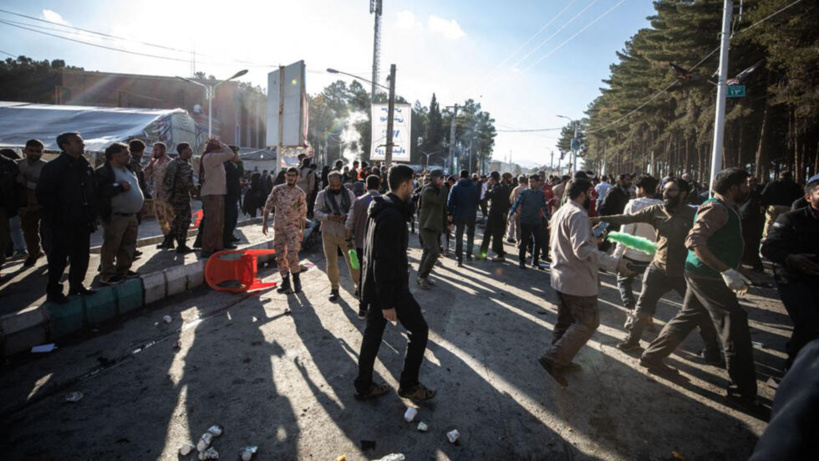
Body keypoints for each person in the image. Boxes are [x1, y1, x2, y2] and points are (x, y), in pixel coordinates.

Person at [641, 168, 758, 407]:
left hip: (704, 274)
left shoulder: (725, 207)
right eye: (745, 184)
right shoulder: (716, 208)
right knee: (735, 326)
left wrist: (736, 267)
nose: (749, 188)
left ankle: (652, 356)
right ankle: (741, 393)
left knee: (689, 315)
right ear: (733, 187)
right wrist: (725, 270)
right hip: (708, 277)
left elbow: (719, 242)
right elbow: (694, 241)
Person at [592, 178, 720, 359]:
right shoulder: (656, 210)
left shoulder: (694, 214)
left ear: (683, 194)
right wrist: (598, 219)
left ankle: (712, 349)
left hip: (684, 272)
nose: (665, 193)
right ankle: (632, 341)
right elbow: (628, 218)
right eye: (664, 189)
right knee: (643, 306)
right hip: (657, 268)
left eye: (671, 190)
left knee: (699, 310)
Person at [539, 178, 634, 387]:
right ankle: (554, 358)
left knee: (565, 322)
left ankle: (560, 359)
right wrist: (615, 263)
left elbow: (569, 242)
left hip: (562, 277)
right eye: (589, 194)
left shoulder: (562, 211)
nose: (591, 198)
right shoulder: (579, 215)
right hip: (577, 280)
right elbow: (582, 251)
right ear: (582, 194)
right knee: (588, 322)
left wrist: (593, 238)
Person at [354, 165, 436, 402]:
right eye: (412, 184)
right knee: (419, 330)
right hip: (390, 288)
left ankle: (363, 386)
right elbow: (384, 261)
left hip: (378, 286)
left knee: (372, 336)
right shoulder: (392, 216)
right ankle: (409, 385)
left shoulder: (381, 206)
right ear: (404, 185)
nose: (413, 188)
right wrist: (387, 303)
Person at [761, 173, 819, 369]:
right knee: (809, 322)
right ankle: (793, 367)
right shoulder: (790, 219)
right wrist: (790, 259)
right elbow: (768, 248)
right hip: (793, 279)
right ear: (809, 197)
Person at [37, 132, 98, 304]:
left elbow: (92, 191)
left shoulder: (85, 166)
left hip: (83, 220)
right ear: (65, 145)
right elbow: (44, 195)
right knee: (59, 257)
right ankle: (54, 291)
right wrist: (59, 215)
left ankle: (76, 285)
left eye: (82, 141)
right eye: (77, 142)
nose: (82, 144)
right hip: (63, 222)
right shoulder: (54, 167)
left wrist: (92, 213)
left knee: (81, 256)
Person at [609, 175, 662, 316]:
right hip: (654, 256)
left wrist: (617, 256)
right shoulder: (662, 206)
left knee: (623, 281)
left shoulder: (633, 205)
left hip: (632, 255)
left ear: (642, 189)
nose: (635, 191)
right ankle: (647, 315)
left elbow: (625, 232)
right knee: (650, 288)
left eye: (636, 188)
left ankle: (632, 310)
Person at [95, 143, 144, 285]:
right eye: (126, 153)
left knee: (128, 245)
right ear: (115, 156)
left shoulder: (128, 169)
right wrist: (119, 187)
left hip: (131, 215)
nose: (129, 156)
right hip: (116, 215)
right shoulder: (104, 172)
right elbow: (100, 192)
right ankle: (107, 274)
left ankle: (123, 269)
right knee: (112, 245)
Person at [314, 170, 360, 302]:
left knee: (353, 261)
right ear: (328, 183)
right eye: (332, 185)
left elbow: (355, 211)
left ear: (341, 182)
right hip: (328, 232)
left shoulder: (349, 194)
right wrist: (328, 216)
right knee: (331, 262)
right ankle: (334, 288)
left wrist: (346, 216)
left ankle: (359, 286)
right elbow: (316, 212)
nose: (335, 188)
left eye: (337, 185)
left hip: (346, 233)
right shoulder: (322, 195)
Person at [262, 167, 306, 294]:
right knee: (280, 255)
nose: (291, 178)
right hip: (279, 228)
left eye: (293, 175)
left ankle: (296, 279)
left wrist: (302, 231)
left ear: (297, 177)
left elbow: (303, 214)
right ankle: (285, 280)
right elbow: (268, 206)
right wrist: (265, 223)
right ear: (285, 176)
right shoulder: (278, 189)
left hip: (293, 229)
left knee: (292, 254)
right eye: (289, 175)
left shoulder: (300, 193)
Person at [346, 174, 381, 319]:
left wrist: (349, 240)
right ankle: (377, 306)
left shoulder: (358, 201)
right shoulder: (384, 201)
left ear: (366, 186)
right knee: (378, 276)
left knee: (363, 276)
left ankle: (362, 307)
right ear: (379, 186)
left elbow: (349, 223)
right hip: (378, 246)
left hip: (361, 245)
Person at [199, 138, 238, 258]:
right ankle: (207, 248)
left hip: (217, 193)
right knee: (212, 223)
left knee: (219, 223)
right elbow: (230, 153)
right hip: (212, 194)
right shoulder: (210, 157)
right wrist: (220, 143)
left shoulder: (216, 160)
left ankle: (216, 247)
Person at [16, 139, 46, 267]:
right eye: (31, 150)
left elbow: (45, 186)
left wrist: (26, 183)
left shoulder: (46, 167)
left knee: (48, 231)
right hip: (26, 204)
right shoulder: (17, 165)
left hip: (43, 203)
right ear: (25, 151)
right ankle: (34, 253)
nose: (34, 154)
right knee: (29, 230)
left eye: (38, 151)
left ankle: (53, 254)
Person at [163, 143, 197, 254]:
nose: (191, 152)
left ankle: (169, 240)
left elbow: (166, 181)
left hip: (171, 197)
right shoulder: (184, 165)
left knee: (176, 220)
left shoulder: (172, 163)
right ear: (183, 151)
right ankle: (181, 245)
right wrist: (197, 191)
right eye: (189, 150)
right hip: (181, 197)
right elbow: (187, 183)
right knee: (184, 220)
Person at [416, 169, 447, 289]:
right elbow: (439, 202)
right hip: (427, 225)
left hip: (432, 225)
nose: (443, 180)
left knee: (427, 251)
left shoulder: (435, 189)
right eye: (441, 178)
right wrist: (444, 188)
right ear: (434, 178)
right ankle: (422, 277)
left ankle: (421, 277)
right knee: (434, 251)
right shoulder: (429, 189)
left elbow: (442, 209)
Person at [509, 175, 548, 269]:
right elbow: (516, 203)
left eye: (533, 181)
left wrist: (549, 219)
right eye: (529, 181)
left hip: (536, 221)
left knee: (537, 242)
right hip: (525, 220)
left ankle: (535, 262)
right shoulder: (524, 192)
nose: (530, 183)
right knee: (524, 241)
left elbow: (543, 207)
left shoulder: (541, 194)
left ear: (537, 182)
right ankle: (522, 261)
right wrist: (510, 214)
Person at [144, 142, 175, 249]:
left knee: (170, 218)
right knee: (160, 218)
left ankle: (171, 239)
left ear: (163, 150)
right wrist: (150, 163)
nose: (154, 152)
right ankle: (166, 238)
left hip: (167, 196)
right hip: (157, 195)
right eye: (154, 150)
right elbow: (146, 175)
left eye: (157, 150)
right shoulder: (155, 163)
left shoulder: (170, 162)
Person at [447, 169, 480, 267]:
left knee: (459, 236)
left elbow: (450, 202)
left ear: (460, 176)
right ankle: (469, 256)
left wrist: (450, 213)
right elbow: (477, 200)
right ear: (468, 176)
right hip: (471, 214)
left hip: (459, 214)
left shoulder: (455, 186)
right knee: (470, 235)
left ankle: (459, 258)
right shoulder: (474, 187)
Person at [761, 170, 803, 239]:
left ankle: (766, 238)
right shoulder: (795, 186)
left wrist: (763, 205)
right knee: (786, 224)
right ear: (790, 177)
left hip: (773, 207)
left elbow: (763, 195)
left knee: (770, 222)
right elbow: (800, 197)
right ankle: (784, 238)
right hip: (788, 207)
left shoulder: (771, 184)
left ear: (780, 176)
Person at [479, 171, 511, 262]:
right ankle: (483, 253)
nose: (489, 180)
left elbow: (487, 197)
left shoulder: (497, 188)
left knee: (496, 235)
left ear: (493, 179)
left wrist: (487, 188)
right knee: (488, 233)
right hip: (496, 214)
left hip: (496, 215)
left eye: (490, 178)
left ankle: (500, 254)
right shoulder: (500, 187)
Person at [740, 175, 765, 272]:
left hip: (753, 223)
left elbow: (762, 206)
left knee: (752, 244)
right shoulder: (743, 193)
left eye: (753, 181)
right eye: (749, 181)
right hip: (745, 220)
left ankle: (757, 265)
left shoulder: (758, 193)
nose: (751, 183)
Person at [223, 145, 242, 249]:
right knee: (229, 218)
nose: (237, 155)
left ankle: (230, 235)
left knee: (233, 217)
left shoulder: (231, 165)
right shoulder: (227, 165)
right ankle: (226, 240)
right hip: (228, 195)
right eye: (236, 153)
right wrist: (240, 163)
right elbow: (239, 173)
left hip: (233, 195)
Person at [506, 175, 527, 245]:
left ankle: (518, 242)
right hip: (526, 211)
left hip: (517, 211)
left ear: (518, 181)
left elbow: (511, 200)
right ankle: (524, 242)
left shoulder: (516, 189)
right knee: (525, 228)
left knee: (517, 227)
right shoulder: (528, 188)